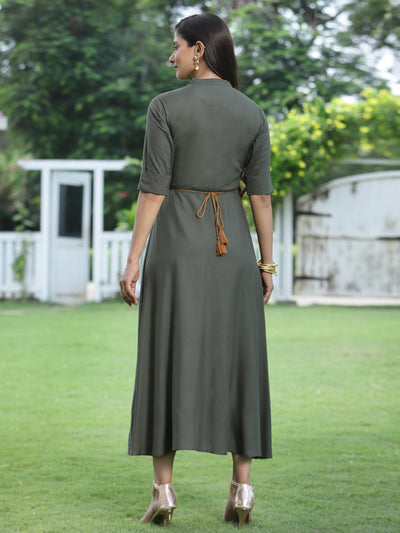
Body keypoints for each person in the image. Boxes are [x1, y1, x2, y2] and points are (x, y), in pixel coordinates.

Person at [119, 12, 275, 529]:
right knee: (239, 359)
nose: (172, 56)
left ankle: (163, 491)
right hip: (234, 251)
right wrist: (266, 263)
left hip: (176, 247)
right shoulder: (252, 112)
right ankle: (243, 488)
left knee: (166, 355)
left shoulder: (165, 106)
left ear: (199, 50)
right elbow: (261, 197)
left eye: (177, 46)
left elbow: (152, 189)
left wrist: (133, 258)